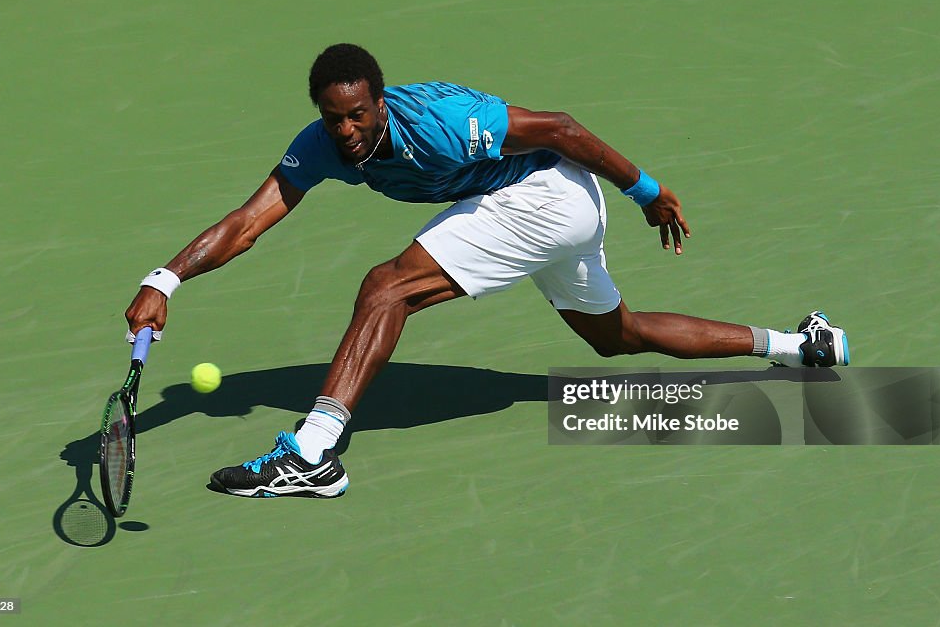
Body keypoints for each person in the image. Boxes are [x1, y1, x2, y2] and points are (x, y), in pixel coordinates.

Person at [125, 43, 849, 499]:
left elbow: (562, 129)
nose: (346, 131)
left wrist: (649, 192)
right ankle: (802, 347)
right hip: (544, 210)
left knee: (387, 287)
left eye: (357, 116)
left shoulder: (444, 119)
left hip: (546, 194)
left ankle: (313, 452)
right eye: (333, 118)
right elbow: (249, 220)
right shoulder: (320, 145)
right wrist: (165, 280)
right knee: (618, 337)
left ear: (380, 101)